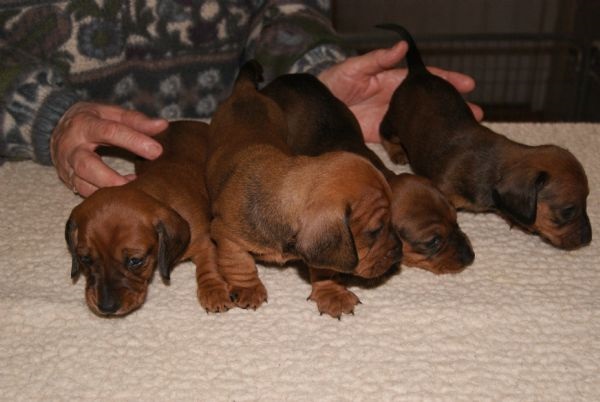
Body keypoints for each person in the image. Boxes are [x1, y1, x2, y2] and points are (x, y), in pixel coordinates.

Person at [1, 1, 482, 197]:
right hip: (50, 169)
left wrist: (312, 83)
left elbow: (280, 9)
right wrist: (43, 113)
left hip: (244, 142)